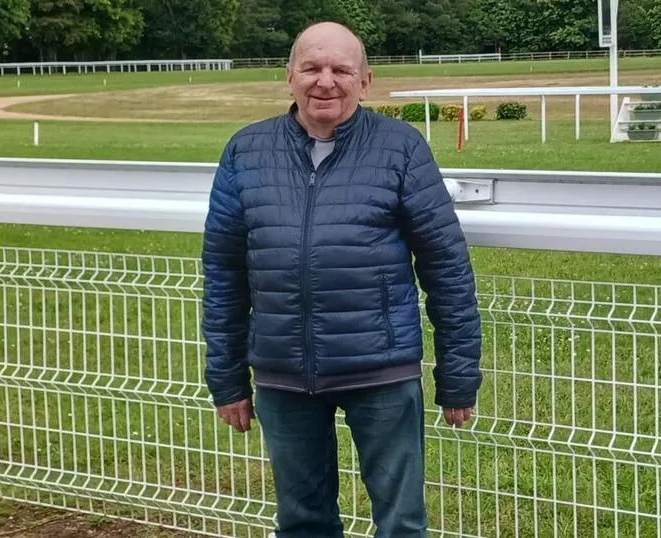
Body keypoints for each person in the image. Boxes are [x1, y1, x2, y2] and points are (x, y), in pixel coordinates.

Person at [200, 21, 482, 538]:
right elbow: (223, 273)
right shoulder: (246, 151)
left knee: (401, 524)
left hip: (382, 373)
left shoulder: (401, 148)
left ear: (365, 81)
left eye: (341, 70)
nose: (325, 81)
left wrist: (458, 376)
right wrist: (226, 379)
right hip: (283, 376)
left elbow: (446, 268)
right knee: (302, 522)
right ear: (289, 76)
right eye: (311, 68)